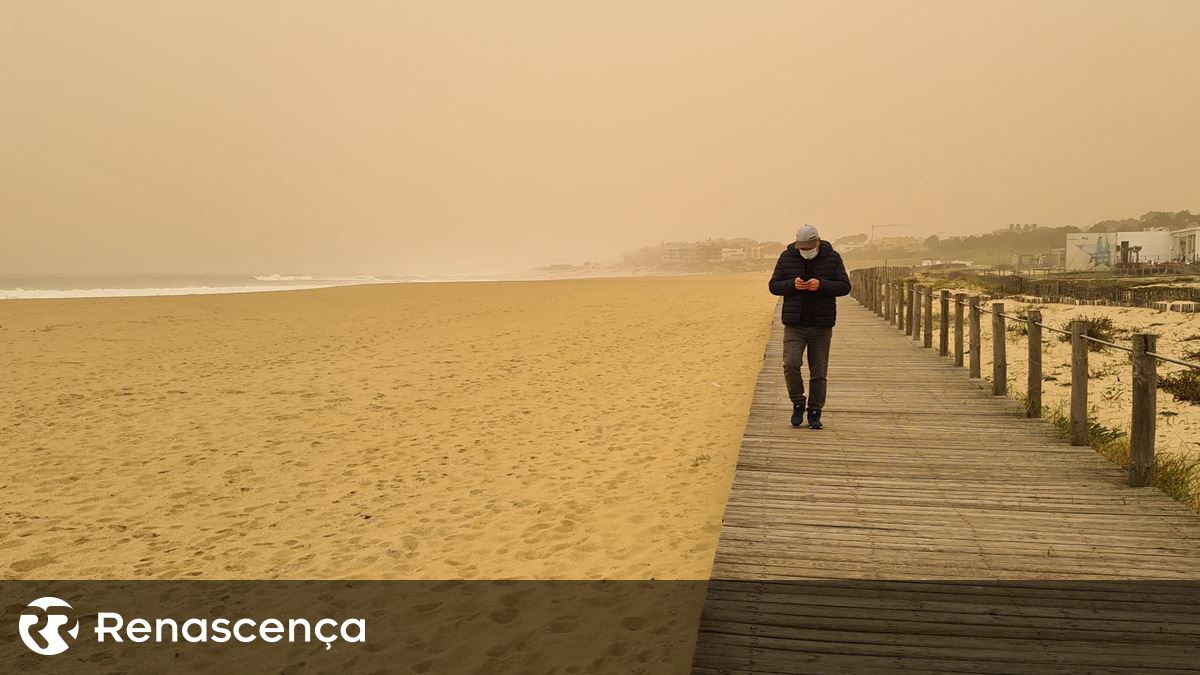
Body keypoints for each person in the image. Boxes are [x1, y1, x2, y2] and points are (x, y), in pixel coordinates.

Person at [767, 224, 852, 429]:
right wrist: (792, 285)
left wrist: (821, 285)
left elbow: (844, 286)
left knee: (819, 371)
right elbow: (773, 285)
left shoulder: (833, 258)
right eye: (801, 248)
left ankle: (815, 412)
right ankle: (798, 402)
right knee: (790, 364)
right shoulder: (787, 257)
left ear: (818, 242)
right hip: (794, 324)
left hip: (821, 325)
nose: (805, 251)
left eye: (808, 247)